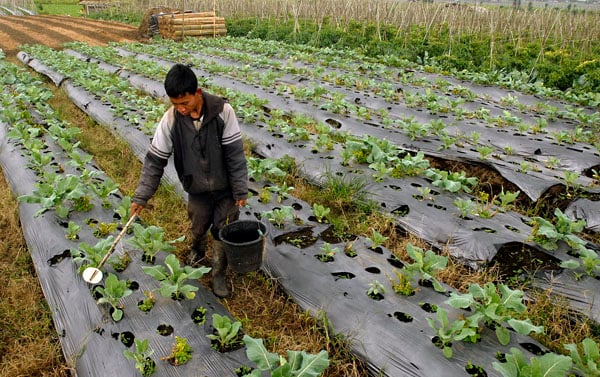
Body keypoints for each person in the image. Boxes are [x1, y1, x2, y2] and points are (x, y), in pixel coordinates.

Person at [130, 63, 248, 298]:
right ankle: (196, 251)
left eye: (184, 103)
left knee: (223, 228)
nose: (180, 109)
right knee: (198, 224)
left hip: (224, 187)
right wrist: (142, 196)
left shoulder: (223, 112)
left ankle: (218, 273)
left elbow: (235, 154)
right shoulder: (171, 119)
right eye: (175, 104)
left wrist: (240, 190)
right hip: (196, 187)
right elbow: (155, 161)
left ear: (197, 92)